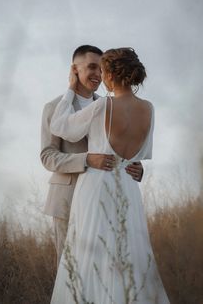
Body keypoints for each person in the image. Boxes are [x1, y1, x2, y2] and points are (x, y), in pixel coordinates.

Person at [50, 47, 170, 304]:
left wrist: (71, 86)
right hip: (128, 188)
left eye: (103, 72)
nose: (101, 78)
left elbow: (59, 126)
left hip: (96, 186)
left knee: (90, 258)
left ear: (111, 75)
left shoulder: (104, 105)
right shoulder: (149, 108)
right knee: (130, 259)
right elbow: (142, 154)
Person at [40, 45, 144, 266]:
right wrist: (86, 160)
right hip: (67, 199)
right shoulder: (54, 107)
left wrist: (136, 166)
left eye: (101, 68)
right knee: (69, 271)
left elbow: (119, 148)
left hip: (104, 199)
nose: (98, 74)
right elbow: (47, 156)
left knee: (103, 269)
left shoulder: (110, 105)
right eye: (91, 67)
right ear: (74, 69)